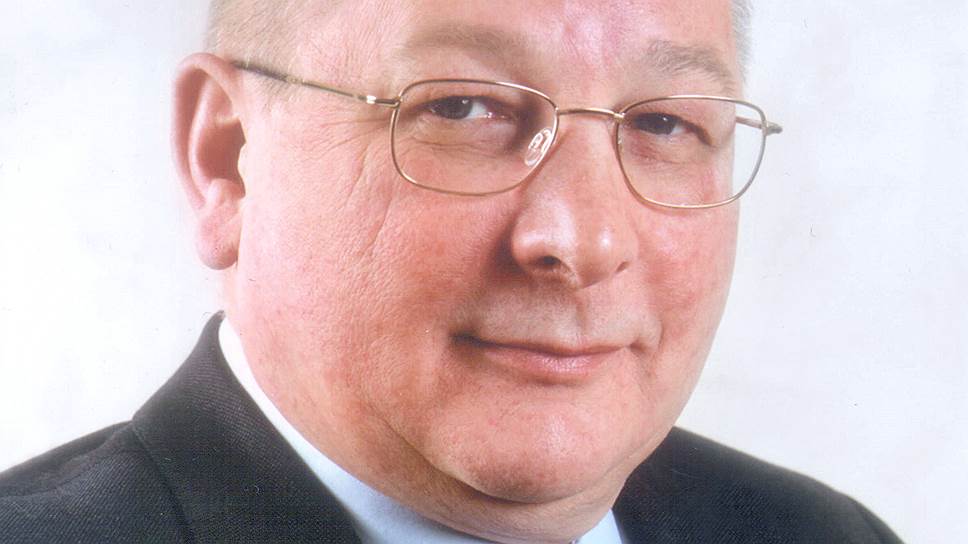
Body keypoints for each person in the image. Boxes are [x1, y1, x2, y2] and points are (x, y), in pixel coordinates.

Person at [0, 1, 901, 542]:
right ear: (227, 161)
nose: (583, 241)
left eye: (664, 125)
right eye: (463, 108)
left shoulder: (822, 535)